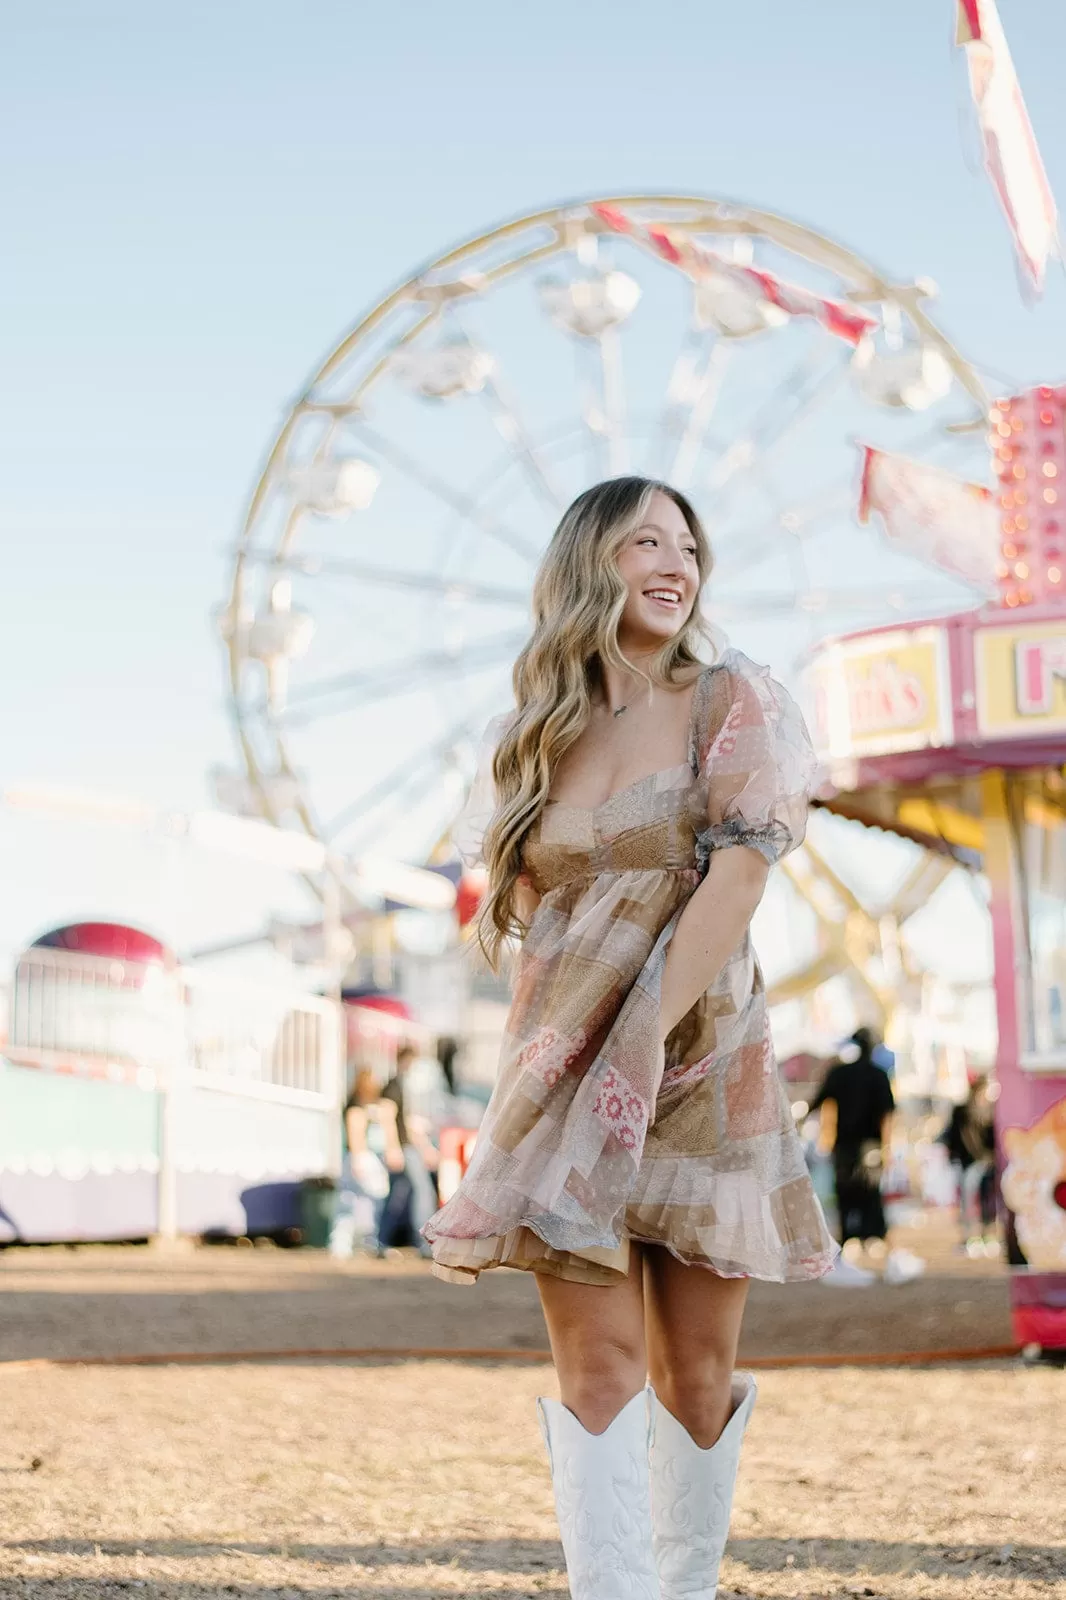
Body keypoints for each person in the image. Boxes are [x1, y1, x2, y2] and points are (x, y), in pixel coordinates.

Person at [422, 476, 837, 1600]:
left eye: (689, 546)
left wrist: (646, 1033)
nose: (675, 561)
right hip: (562, 1067)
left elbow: (741, 871)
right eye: (645, 539)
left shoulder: (730, 699)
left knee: (693, 1370)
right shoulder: (532, 734)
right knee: (594, 1364)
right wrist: (576, 1049)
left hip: (699, 1057)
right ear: (585, 562)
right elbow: (536, 922)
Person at [811, 1027, 895, 1255]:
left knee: (845, 1190)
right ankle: (873, 1236)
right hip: (871, 1144)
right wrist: (887, 1147)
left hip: (844, 1144)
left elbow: (818, 1102)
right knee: (870, 1190)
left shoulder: (838, 1073)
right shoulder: (879, 1074)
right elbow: (887, 1115)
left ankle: (849, 1236)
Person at [330, 1066, 402, 1255]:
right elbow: (356, 1135)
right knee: (355, 1202)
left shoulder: (375, 1109)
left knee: (361, 1202)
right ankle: (346, 1244)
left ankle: (358, 1243)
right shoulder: (358, 1110)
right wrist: (358, 1157)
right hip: (363, 1158)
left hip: (367, 1158)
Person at [377, 1044, 440, 1255]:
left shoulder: (403, 1085)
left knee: (396, 1195)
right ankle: (425, 1244)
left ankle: (381, 1241)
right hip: (405, 1148)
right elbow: (388, 1118)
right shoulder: (395, 1085)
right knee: (423, 1192)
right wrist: (393, 1147)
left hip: (406, 1147)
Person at [938, 1074, 997, 1253]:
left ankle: (985, 1234)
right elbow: (960, 1137)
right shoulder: (964, 1110)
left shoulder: (989, 1110)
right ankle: (970, 1236)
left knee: (985, 1199)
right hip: (970, 1161)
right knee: (968, 1198)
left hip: (984, 1162)